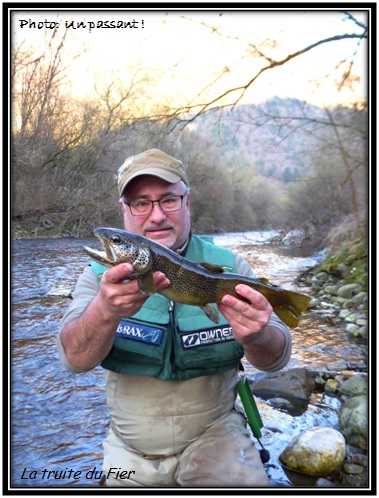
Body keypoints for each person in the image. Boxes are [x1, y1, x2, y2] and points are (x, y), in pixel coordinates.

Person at [58, 148, 292, 487]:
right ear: (125, 210)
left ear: (187, 203)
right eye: (141, 203)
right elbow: (73, 360)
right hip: (130, 451)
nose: (156, 216)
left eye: (168, 200)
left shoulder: (229, 266)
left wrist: (257, 336)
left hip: (218, 438)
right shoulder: (97, 278)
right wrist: (104, 312)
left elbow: (276, 359)